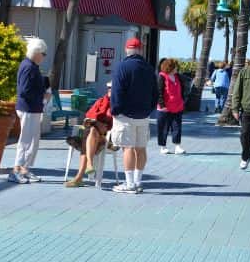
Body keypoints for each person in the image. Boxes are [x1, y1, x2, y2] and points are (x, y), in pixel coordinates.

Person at [109, 37, 157, 194]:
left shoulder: (122, 67)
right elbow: (155, 93)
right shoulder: (149, 68)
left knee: (127, 148)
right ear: (140, 50)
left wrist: (115, 110)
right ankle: (137, 181)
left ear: (126, 49)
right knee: (141, 148)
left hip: (125, 115)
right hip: (143, 115)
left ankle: (129, 184)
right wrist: (148, 109)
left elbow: (117, 91)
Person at [10, 38, 48, 184]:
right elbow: (24, 90)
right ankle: (16, 170)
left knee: (33, 141)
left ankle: (25, 169)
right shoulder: (28, 67)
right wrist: (42, 96)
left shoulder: (32, 66)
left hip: (33, 108)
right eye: (43, 54)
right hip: (28, 108)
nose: (44, 57)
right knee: (25, 140)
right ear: (37, 53)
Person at [64, 92, 113, 187]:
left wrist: (106, 128)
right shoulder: (100, 101)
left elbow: (119, 122)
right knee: (91, 130)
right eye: (109, 88)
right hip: (93, 132)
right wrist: (94, 122)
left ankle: (80, 176)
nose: (110, 91)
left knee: (89, 135)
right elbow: (89, 116)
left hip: (107, 136)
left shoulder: (119, 103)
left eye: (113, 88)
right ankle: (88, 165)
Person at [157, 58, 186, 155]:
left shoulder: (178, 77)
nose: (177, 68)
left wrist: (182, 100)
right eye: (175, 67)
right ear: (170, 67)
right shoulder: (162, 77)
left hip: (177, 107)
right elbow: (159, 92)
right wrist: (162, 105)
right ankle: (163, 147)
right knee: (164, 128)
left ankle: (177, 146)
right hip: (165, 108)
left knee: (177, 127)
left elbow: (182, 90)